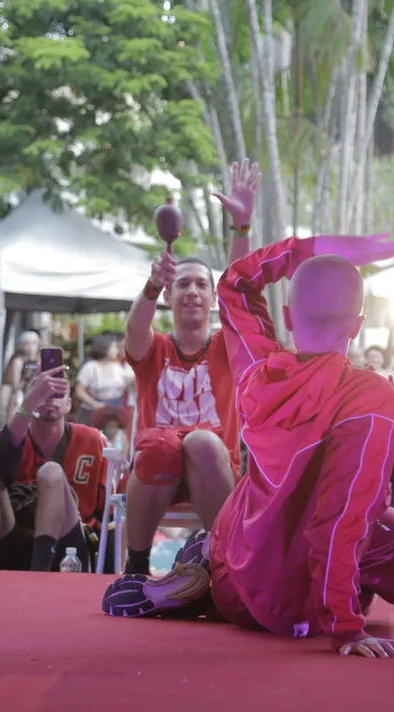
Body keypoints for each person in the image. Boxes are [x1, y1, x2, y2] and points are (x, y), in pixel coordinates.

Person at [105, 233, 394, 660]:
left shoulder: (258, 369)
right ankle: (203, 585)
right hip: (293, 609)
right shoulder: (369, 394)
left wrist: (314, 247)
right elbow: (342, 517)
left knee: (285, 510)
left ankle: (204, 574)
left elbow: (235, 283)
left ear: (287, 315)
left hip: (237, 570)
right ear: (357, 325)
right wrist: (345, 626)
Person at [119, 159, 257, 574]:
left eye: (201, 285)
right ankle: (136, 570)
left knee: (198, 442)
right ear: (168, 297)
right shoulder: (154, 348)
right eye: (183, 284)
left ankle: (226, 569)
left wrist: (242, 229)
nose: (192, 291)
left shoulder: (226, 347)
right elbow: (134, 329)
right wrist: (150, 284)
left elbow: (240, 292)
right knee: (161, 447)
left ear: (213, 299)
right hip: (155, 471)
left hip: (212, 467)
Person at [0, 367, 109, 572]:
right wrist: (27, 405)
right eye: (42, 391)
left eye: (57, 393)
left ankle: (39, 574)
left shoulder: (94, 440)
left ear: (69, 404)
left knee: (51, 472)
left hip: (69, 549)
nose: (49, 398)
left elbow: (111, 514)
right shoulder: (11, 436)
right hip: (15, 537)